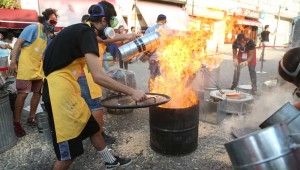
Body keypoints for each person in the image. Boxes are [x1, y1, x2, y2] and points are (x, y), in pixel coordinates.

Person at [42, 1, 146, 169]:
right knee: (68, 154)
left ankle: (109, 161)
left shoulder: (82, 29)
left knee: (93, 128)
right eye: (112, 20)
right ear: (104, 21)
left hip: (68, 88)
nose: (113, 25)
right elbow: (98, 76)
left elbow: (103, 39)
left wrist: (127, 37)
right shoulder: (87, 34)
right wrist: (132, 91)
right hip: (59, 94)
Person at [9, 8, 58, 137]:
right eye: (52, 20)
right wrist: (13, 62)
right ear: (46, 18)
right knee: (23, 94)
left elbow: (43, 54)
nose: (53, 24)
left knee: (37, 93)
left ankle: (31, 117)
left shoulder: (47, 36)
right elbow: (17, 44)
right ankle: (16, 122)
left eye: (55, 22)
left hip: (38, 69)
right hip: (26, 67)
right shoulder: (32, 28)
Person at [79, 14, 116, 144]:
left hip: (91, 74)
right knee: (95, 106)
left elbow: (111, 40)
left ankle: (96, 132)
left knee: (92, 105)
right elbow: (106, 41)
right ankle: (99, 134)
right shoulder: (89, 33)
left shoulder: (94, 33)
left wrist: (129, 38)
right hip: (86, 76)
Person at [145, 14, 167, 91]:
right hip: (164, 57)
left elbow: (145, 45)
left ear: (157, 21)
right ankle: (161, 93)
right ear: (165, 21)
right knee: (162, 77)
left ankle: (151, 92)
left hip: (152, 57)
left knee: (152, 76)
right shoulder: (168, 29)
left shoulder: (149, 30)